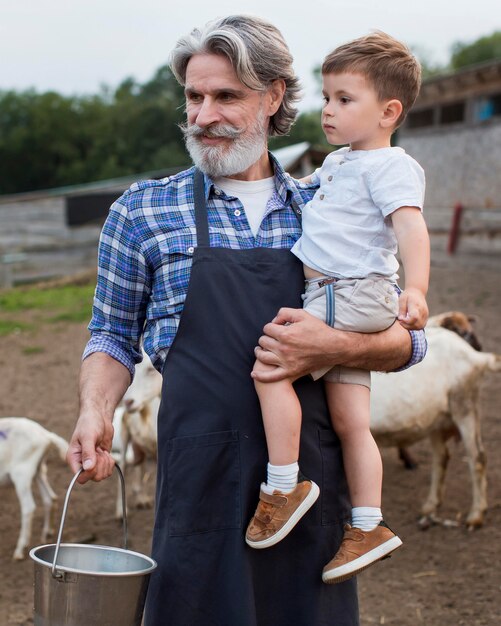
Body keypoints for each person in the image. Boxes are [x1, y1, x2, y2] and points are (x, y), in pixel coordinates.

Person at [66, 16, 427, 626]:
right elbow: (111, 334)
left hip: (309, 494)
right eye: (194, 96)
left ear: (275, 96)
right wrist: (95, 412)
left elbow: (408, 343)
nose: (204, 115)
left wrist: (330, 345)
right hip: (199, 484)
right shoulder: (142, 210)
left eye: (226, 96)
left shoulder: (331, 209)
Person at [246, 31, 429, 585]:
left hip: (347, 293)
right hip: (340, 292)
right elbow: (307, 190)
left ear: (388, 111)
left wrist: (416, 291)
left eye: (344, 100)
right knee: (353, 422)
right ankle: (367, 524)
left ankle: (282, 485)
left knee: (271, 365)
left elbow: (411, 229)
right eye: (326, 98)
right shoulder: (342, 162)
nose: (327, 110)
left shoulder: (391, 166)